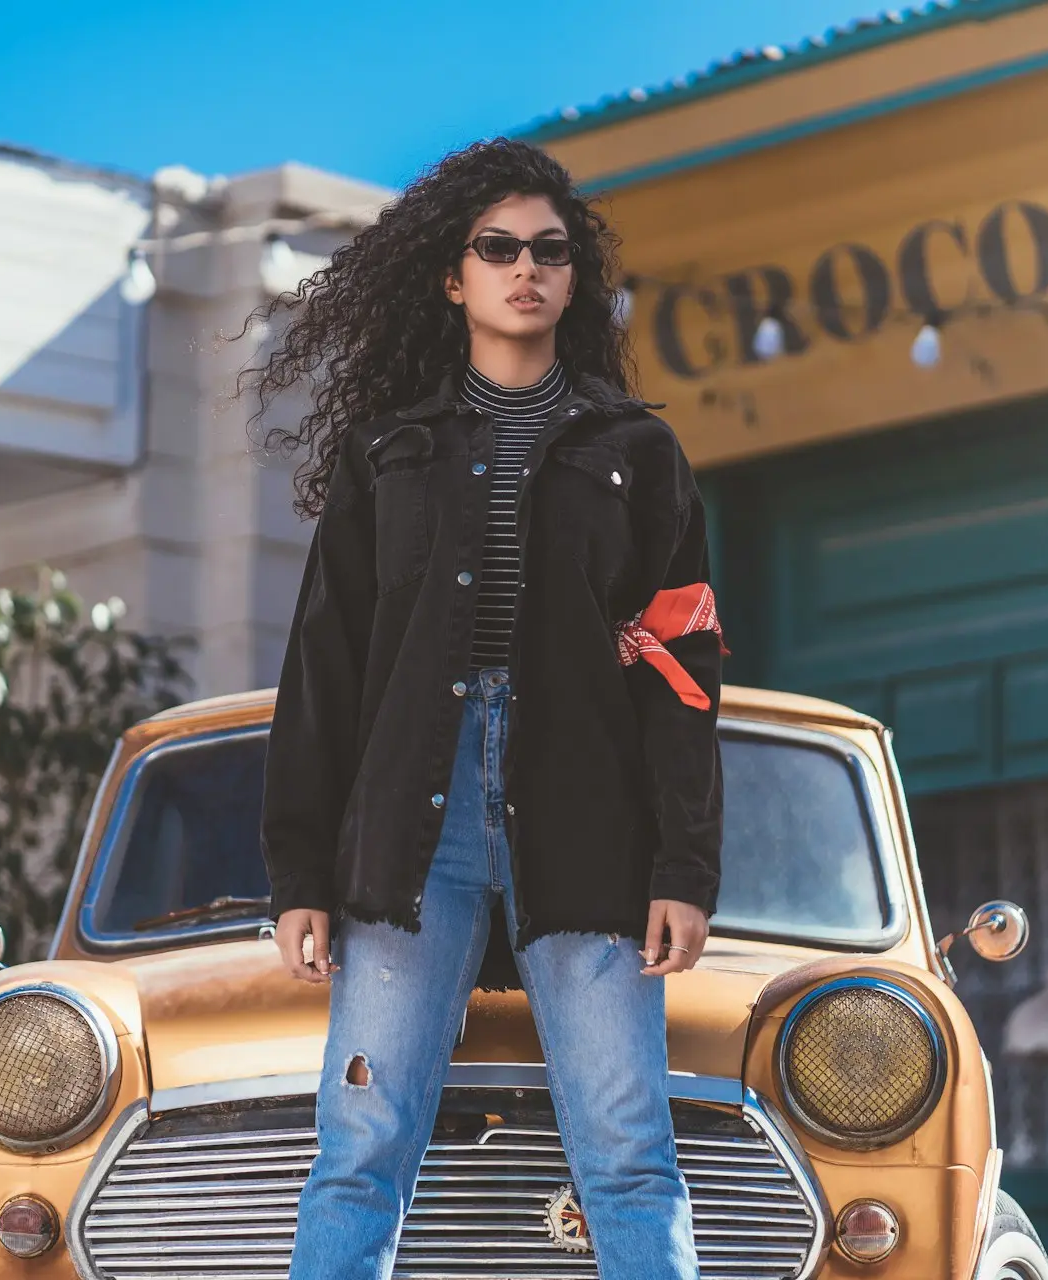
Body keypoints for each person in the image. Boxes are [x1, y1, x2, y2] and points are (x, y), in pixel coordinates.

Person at [242, 136, 725, 1280]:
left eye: (550, 251)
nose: (526, 269)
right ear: (453, 277)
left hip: (587, 808)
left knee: (626, 1148)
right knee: (360, 1142)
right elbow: (325, 669)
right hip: (416, 812)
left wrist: (684, 866)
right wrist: (301, 873)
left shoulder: (640, 452)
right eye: (498, 248)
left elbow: (685, 667)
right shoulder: (388, 454)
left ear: (574, 280)